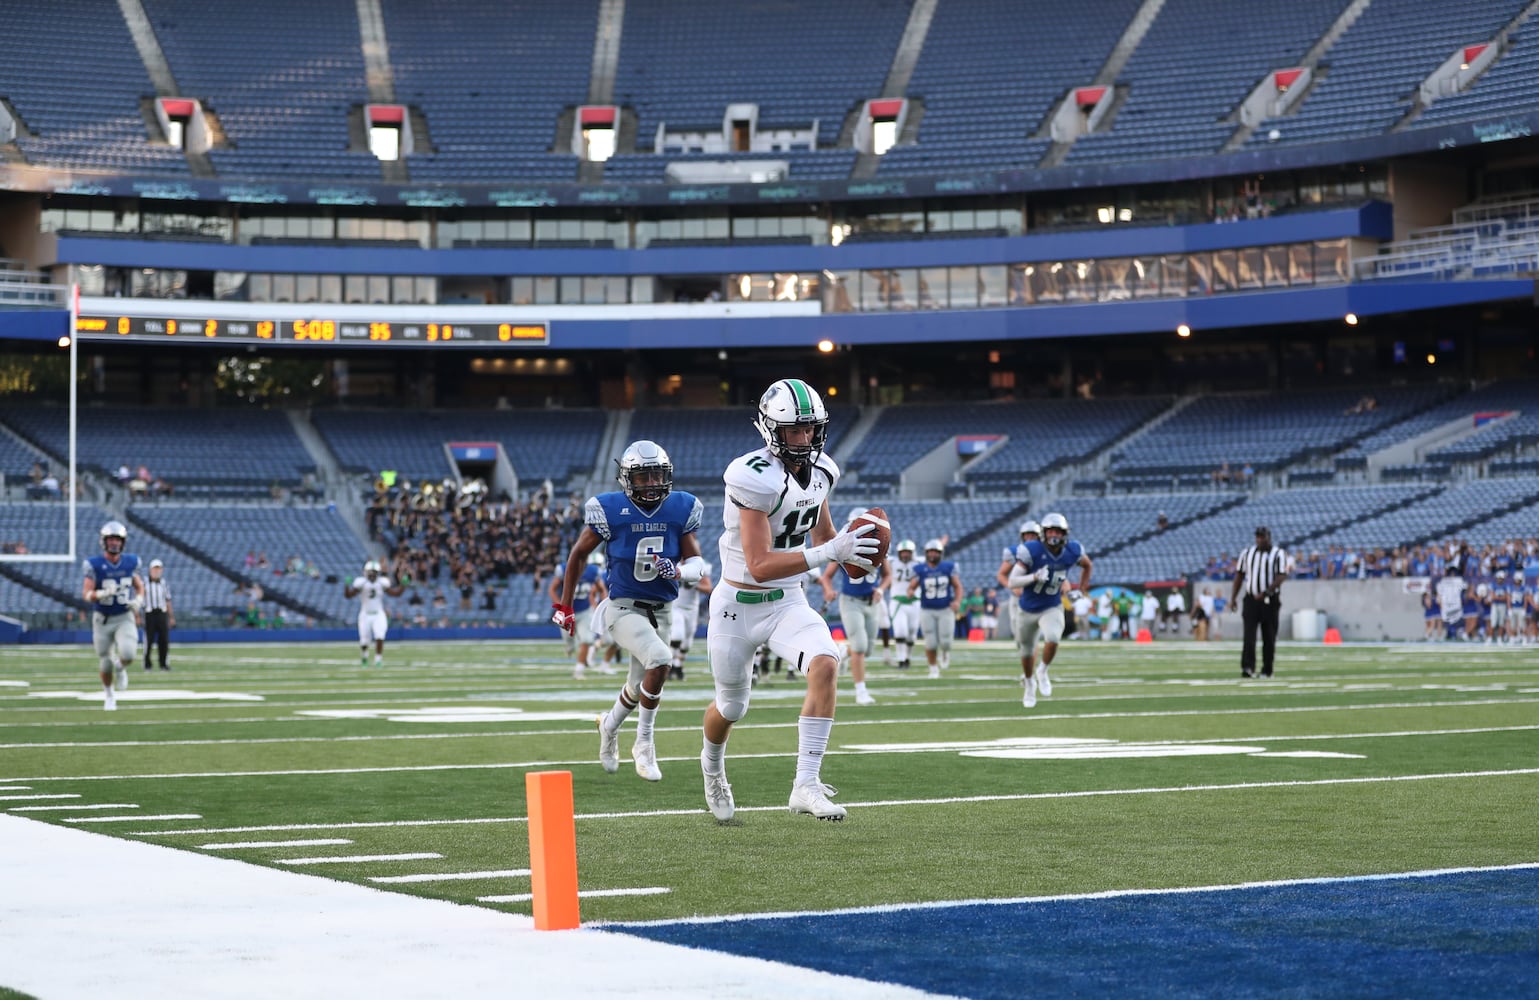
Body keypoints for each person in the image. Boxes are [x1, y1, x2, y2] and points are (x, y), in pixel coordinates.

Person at [698, 378, 879, 823]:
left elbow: (824, 537)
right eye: (794, 431)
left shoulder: (822, 472)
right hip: (737, 604)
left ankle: (806, 784)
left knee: (825, 662)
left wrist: (855, 553)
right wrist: (827, 554)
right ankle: (712, 766)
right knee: (732, 706)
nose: (805, 439)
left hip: (788, 602)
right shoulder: (750, 476)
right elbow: (759, 564)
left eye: (812, 429)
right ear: (769, 430)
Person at [554, 440, 703, 782]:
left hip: (663, 609)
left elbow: (697, 562)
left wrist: (680, 570)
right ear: (626, 479)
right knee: (662, 660)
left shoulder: (680, 508)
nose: (651, 484)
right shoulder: (610, 509)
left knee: (639, 687)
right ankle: (645, 743)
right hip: (623, 608)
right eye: (643, 477)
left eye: (656, 476)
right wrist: (565, 604)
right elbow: (577, 555)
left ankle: (608, 726)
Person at [1009, 513, 1092, 708]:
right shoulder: (1032, 550)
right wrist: (1033, 577)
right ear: (1044, 533)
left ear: (1065, 534)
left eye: (1058, 531)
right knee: (1027, 651)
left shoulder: (1072, 550)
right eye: (1051, 531)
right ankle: (1029, 683)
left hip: (1051, 605)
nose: (1054, 535)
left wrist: (1081, 589)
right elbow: (1013, 581)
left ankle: (1043, 671)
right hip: (1027, 608)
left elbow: (1087, 565)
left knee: (1053, 638)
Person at [820, 507, 889, 706]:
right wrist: (828, 590)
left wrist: (882, 590)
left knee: (866, 649)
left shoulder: (880, 547)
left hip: (871, 602)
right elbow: (826, 576)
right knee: (859, 647)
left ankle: (843, 652)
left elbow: (888, 575)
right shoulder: (843, 549)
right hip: (851, 601)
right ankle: (861, 691)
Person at [82, 521, 144, 710]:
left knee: (128, 654)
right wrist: (101, 594)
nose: (114, 543)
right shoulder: (95, 565)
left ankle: (121, 666)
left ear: (123, 542)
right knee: (105, 662)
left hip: (124, 616)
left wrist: (138, 600)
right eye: (111, 539)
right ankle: (109, 694)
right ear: (104, 541)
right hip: (102, 619)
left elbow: (139, 586)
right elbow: (86, 594)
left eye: (117, 539)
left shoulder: (131, 562)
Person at [1232, 526, 1288, 677]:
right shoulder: (1247, 553)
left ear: (1268, 537)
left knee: (1269, 636)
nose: (1259, 540)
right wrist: (1233, 598)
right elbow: (1239, 575)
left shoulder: (1278, 554)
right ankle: (1247, 667)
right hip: (1251, 599)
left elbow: (1282, 575)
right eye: (1257, 537)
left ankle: (1267, 669)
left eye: (1262, 537)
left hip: (1270, 600)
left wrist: (1267, 592)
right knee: (1248, 635)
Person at [549, 550, 608, 678]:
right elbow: (552, 590)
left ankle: (579, 670)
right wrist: (561, 606)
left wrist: (602, 605)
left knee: (587, 639)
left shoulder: (593, 571)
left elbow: (602, 589)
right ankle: (569, 647)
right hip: (567, 611)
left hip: (584, 610)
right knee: (569, 641)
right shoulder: (564, 569)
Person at [910, 539, 961, 679]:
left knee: (946, 642)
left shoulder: (948, 567)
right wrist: (910, 591)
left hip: (945, 608)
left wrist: (957, 601)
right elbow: (912, 586)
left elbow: (957, 586)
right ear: (926, 553)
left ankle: (945, 653)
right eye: (930, 551)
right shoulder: (920, 569)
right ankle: (933, 668)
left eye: (935, 552)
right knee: (930, 642)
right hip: (927, 609)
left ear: (941, 553)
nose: (932, 554)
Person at [345, 560, 405, 667]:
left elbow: (395, 594)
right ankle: (364, 657)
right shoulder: (361, 582)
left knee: (380, 636)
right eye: (370, 572)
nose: (372, 574)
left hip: (378, 613)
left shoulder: (382, 582)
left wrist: (403, 586)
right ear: (366, 572)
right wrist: (346, 586)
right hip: (365, 613)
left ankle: (378, 660)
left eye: (374, 572)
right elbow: (349, 595)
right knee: (364, 640)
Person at [998, 520, 1041, 651]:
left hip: (1036, 597)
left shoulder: (1044, 551)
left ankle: (1031, 664)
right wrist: (1013, 586)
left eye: (1033, 535)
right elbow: (1001, 574)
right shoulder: (1015, 551)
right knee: (1018, 634)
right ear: (1022, 536)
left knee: (1032, 635)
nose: (1030, 538)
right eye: (1027, 535)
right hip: (1018, 598)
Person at [670, 556, 713, 680]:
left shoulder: (699, 565)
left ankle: (678, 665)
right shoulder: (672, 563)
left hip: (691, 608)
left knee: (687, 642)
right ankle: (671, 664)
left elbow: (708, 587)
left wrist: (696, 585)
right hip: (675, 605)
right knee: (677, 635)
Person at [887, 539, 920, 669]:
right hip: (897, 601)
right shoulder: (892, 563)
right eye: (903, 552)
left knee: (912, 632)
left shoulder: (919, 564)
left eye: (908, 552)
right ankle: (901, 659)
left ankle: (908, 658)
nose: (905, 555)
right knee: (900, 631)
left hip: (914, 602)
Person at [141, 558, 174, 671]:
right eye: (155, 569)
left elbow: (168, 600)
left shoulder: (164, 583)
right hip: (149, 613)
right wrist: (137, 615)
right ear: (150, 570)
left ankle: (163, 663)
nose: (157, 571)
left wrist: (171, 617)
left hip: (162, 613)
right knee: (148, 640)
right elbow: (139, 599)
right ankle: (147, 664)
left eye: (159, 569)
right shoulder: (144, 583)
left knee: (164, 640)